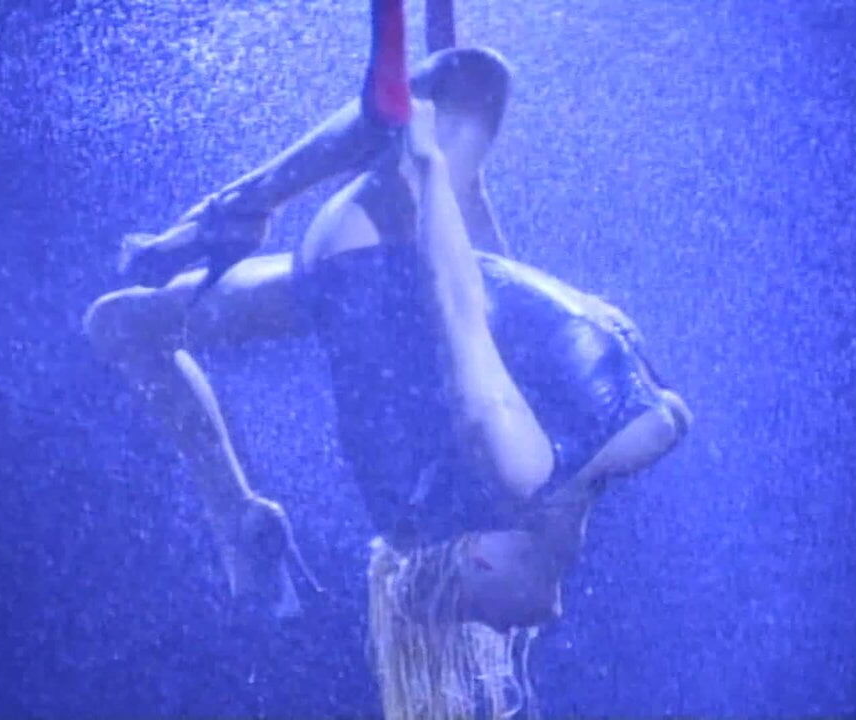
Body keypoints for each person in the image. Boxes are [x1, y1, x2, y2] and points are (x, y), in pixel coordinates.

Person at [84, 1, 692, 717]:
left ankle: (244, 204)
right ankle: (237, 515)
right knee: (120, 324)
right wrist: (454, 168)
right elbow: (492, 293)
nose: (511, 632)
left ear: (478, 559)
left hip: (366, 263)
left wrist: (429, 164)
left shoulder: (519, 467)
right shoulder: (577, 466)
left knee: (469, 81)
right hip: (366, 295)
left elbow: (462, 305)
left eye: (479, 615)